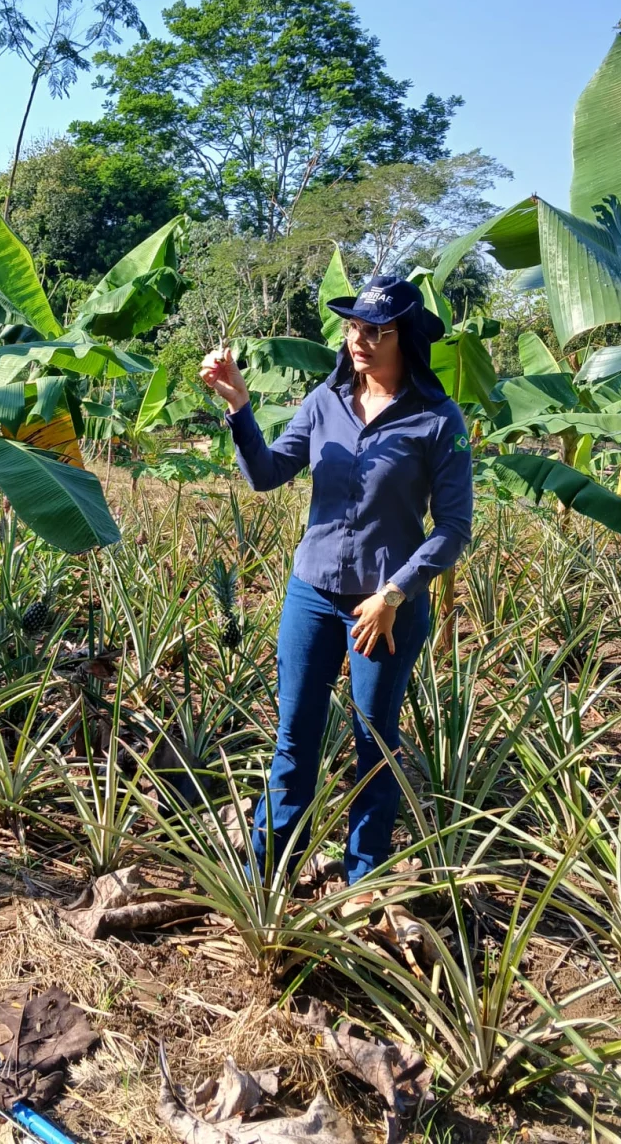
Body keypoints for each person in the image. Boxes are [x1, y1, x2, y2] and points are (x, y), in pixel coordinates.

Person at [200, 274, 473, 892]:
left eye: (377, 331)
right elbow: (268, 474)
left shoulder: (436, 419)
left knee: (374, 745)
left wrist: (394, 593)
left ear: (406, 338)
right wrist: (241, 410)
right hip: (311, 595)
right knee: (295, 737)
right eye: (354, 328)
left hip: (387, 607)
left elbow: (454, 527)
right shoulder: (325, 403)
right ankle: (262, 879)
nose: (361, 341)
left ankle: (362, 884)